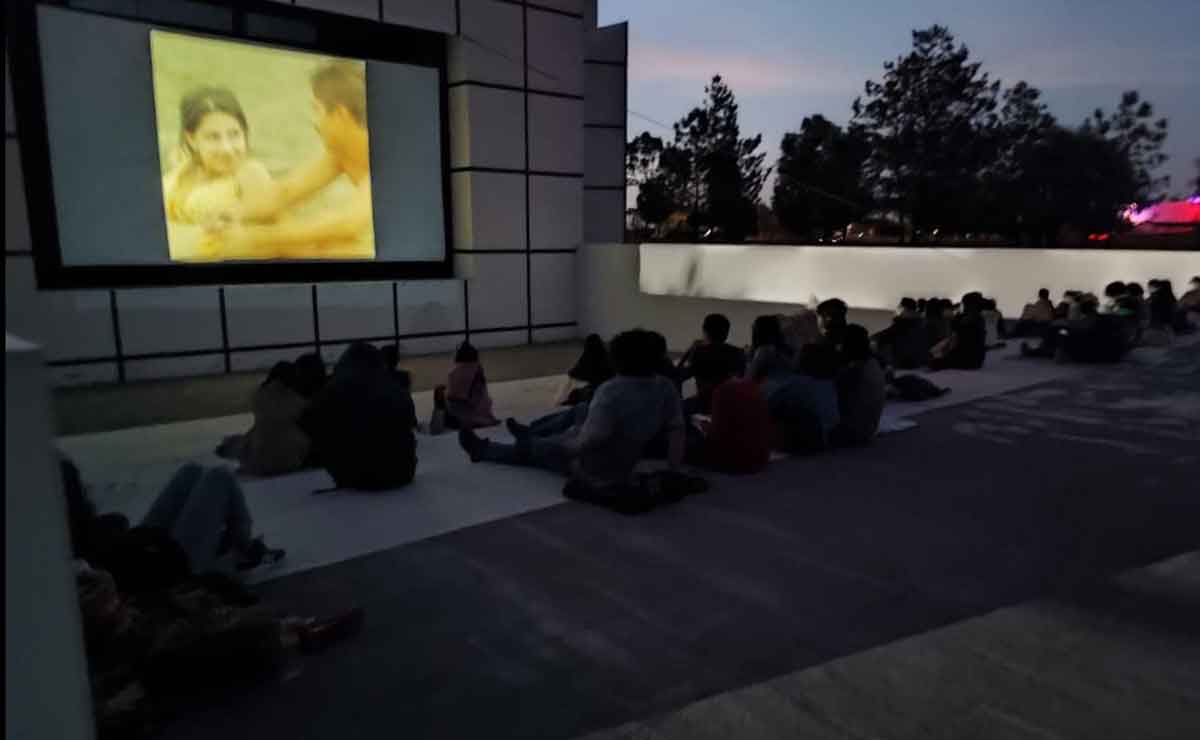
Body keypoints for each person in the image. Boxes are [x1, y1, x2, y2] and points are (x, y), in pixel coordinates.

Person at [76, 561, 362, 737]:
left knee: (210, 613)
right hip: (139, 662)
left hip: (137, 646)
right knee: (211, 643)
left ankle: (290, 628)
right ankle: (294, 631)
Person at [458, 329, 685, 488]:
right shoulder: (664, 387)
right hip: (626, 461)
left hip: (592, 466)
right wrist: (674, 471)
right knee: (581, 411)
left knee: (532, 450)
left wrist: (556, 444)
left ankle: (488, 450)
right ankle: (531, 435)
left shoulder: (611, 391)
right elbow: (676, 430)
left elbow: (588, 442)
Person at [208, 61, 374, 259]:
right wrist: (235, 212)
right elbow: (285, 192)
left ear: (340, 114)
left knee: (333, 247)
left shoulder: (387, 155)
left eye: (317, 110)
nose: (314, 121)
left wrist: (256, 237)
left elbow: (348, 223)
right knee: (300, 235)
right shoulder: (341, 152)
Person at [63, 456, 283, 580]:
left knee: (192, 471)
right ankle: (243, 547)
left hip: (133, 554)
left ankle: (237, 547)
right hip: (161, 574)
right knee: (221, 477)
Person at [161, 87, 274, 261]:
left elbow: (268, 245)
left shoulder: (251, 174)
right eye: (213, 137)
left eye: (234, 134)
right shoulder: (183, 168)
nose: (227, 148)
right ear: (191, 139)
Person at [300, 342, 418, 490]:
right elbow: (411, 422)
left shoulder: (333, 389)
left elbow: (308, 422)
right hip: (401, 471)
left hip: (355, 476)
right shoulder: (396, 387)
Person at [685, 376, 771, 474]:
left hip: (734, 461)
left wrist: (705, 427)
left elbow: (716, 435)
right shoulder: (752, 387)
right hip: (760, 457)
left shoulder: (722, 391)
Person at [676, 313, 747, 414]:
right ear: (726, 333)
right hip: (730, 405)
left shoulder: (699, 351)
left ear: (705, 331)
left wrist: (688, 351)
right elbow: (742, 379)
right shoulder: (738, 352)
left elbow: (679, 375)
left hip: (703, 404)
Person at [831, 325, 886, 447]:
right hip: (868, 429)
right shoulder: (872, 363)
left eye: (840, 343)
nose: (838, 347)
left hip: (853, 432)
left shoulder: (855, 370)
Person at [429, 342, 499, 433]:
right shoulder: (477, 368)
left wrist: (442, 395)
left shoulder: (458, 372)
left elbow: (455, 398)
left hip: (468, 420)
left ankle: (436, 428)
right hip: (485, 416)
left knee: (438, 391)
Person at [928, 293, 987, 371]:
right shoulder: (979, 319)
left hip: (967, 359)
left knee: (934, 362)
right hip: (977, 360)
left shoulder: (966, 319)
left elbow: (957, 338)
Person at [553, 334, 613, 407]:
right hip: (609, 389)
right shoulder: (608, 357)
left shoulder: (588, 357)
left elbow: (574, 372)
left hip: (597, 391)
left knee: (575, 394)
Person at [873, 298, 929, 369]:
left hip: (903, 361)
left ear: (904, 308)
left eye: (899, 307)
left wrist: (873, 338)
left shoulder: (903, 323)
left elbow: (885, 334)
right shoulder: (920, 322)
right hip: (918, 360)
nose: (898, 309)